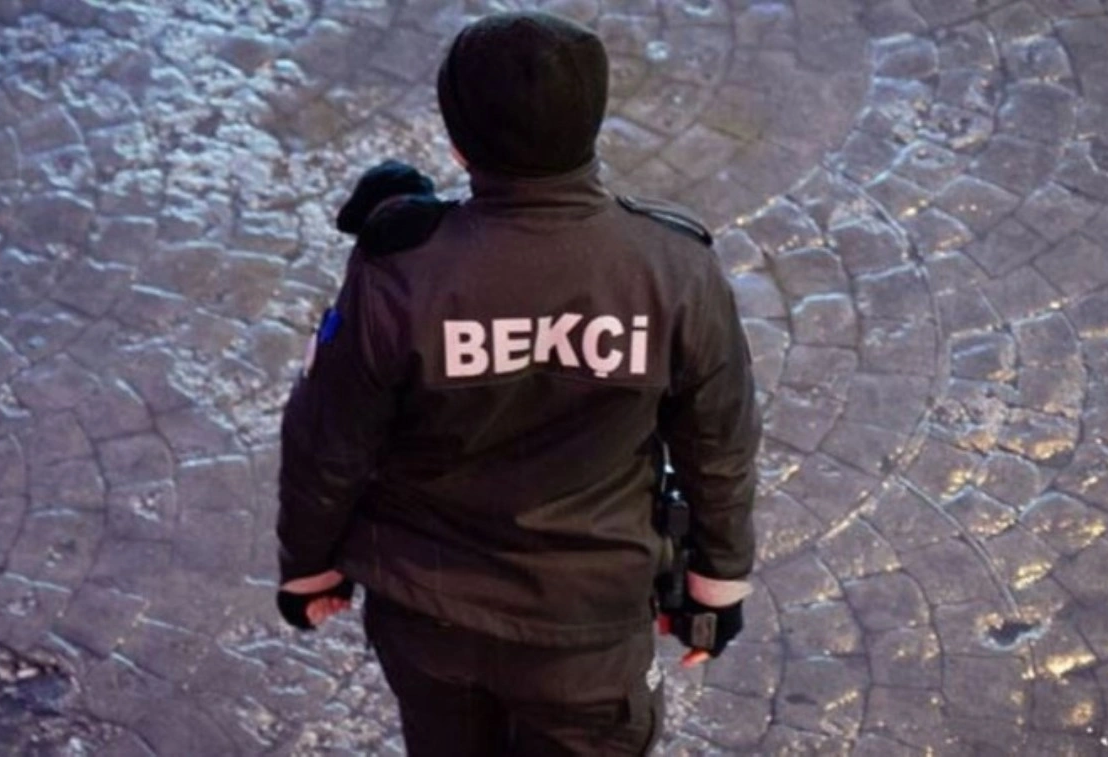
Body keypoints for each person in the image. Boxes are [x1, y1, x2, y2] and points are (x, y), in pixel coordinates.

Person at [274, 10, 762, 756]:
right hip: (589, 634)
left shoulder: (399, 271)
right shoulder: (674, 269)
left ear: (457, 142)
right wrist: (715, 585)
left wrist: (309, 567)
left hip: (429, 616)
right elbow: (719, 441)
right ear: (595, 122)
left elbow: (327, 441)